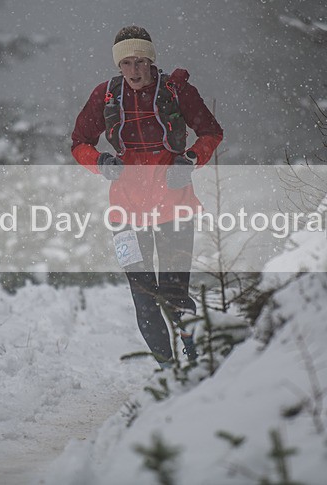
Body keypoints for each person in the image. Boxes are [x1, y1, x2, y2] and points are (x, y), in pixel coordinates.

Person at [71, 25, 223, 368]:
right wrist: (100, 163)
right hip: (125, 211)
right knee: (143, 297)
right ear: (118, 66)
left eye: (140, 61)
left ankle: (194, 361)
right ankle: (167, 369)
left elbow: (212, 132)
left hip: (174, 204)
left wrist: (191, 159)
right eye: (126, 63)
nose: (134, 70)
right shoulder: (106, 95)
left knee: (173, 294)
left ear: (151, 60)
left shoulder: (176, 90)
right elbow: (79, 143)